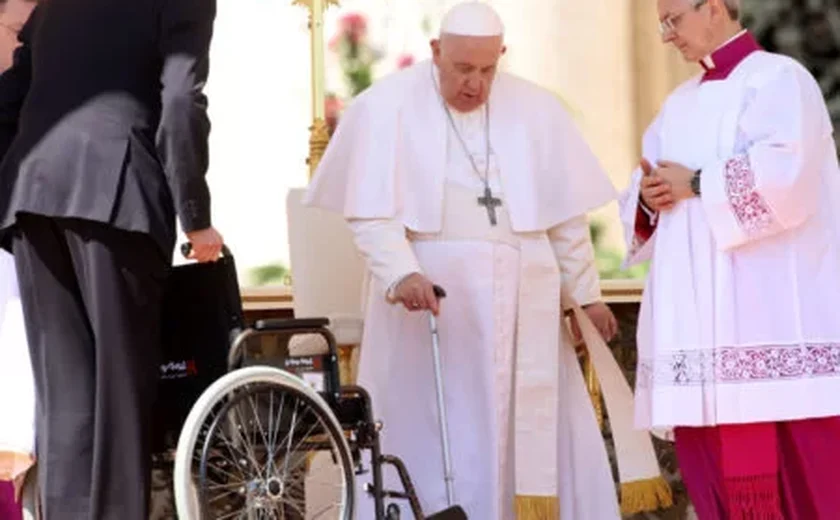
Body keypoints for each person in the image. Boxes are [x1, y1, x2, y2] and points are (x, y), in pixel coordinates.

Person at [305, 2, 629, 518]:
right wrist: (401, 272)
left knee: (521, 439)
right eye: (462, 69)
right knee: (432, 437)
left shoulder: (536, 111)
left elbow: (566, 220)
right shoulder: (387, 106)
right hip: (429, 310)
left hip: (523, 312)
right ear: (437, 52)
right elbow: (371, 216)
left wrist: (586, 296)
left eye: (487, 70)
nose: (475, 85)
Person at [0, 0, 224, 518]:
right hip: (115, 195)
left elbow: (10, 96)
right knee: (121, 397)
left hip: (33, 197)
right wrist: (195, 216)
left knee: (64, 400)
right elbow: (180, 101)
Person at [620, 0, 840, 517]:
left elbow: (787, 178)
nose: (665, 35)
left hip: (768, 319)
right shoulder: (677, 104)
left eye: (673, 19)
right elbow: (647, 180)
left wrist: (696, 183)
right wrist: (648, 196)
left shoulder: (780, 81)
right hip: (700, 335)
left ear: (714, 7)